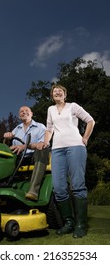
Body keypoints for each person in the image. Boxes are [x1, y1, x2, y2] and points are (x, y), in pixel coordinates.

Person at [37, 84, 95, 238]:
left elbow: (90, 121)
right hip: (57, 150)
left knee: (77, 184)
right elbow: (49, 129)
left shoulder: (73, 106)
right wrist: (46, 142)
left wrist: (85, 138)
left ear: (64, 95)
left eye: (60, 91)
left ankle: (81, 224)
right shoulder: (50, 110)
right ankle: (69, 222)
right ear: (52, 95)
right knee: (59, 188)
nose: (57, 92)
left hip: (75, 146)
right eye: (54, 91)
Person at [3, 106, 49, 201]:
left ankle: (33, 191)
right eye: (21, 112)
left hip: (33, 157)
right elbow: (9, 146)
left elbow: (42, 144)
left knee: (42, 150)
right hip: (18, 158)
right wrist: (7, 138)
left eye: (26, 111)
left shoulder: (40, 127)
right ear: (19, 116)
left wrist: (24, 146)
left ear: (31, 113)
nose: (24, 112)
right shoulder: (16, 129)